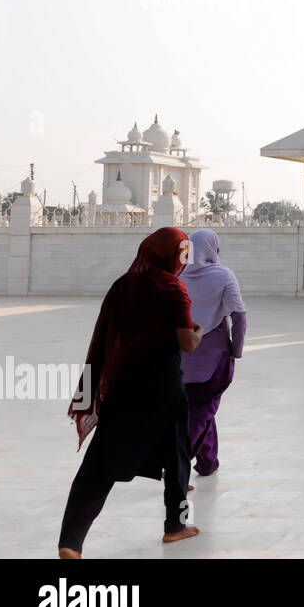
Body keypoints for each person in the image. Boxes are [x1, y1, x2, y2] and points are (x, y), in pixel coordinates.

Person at [59, 227, 203, 558]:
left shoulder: (122, 286)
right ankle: (175, 527)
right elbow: (187, 342)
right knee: (178, 458)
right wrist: (199, 330)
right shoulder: (173, 289)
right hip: (164, 386)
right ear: (170, 255)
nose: (183, 259)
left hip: (124, 384)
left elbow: (107, 336)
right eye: (181, 253)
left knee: (98, 466)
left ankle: (71, 542)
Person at [179, 229, 247, 478]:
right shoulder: (223, 275)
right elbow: (239, 316)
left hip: (183, 358)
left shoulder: (178, 275)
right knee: (200, 413)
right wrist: (236, 350)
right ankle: (177, 462)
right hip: (215, 360)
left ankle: (208, 462)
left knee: (199, 409)